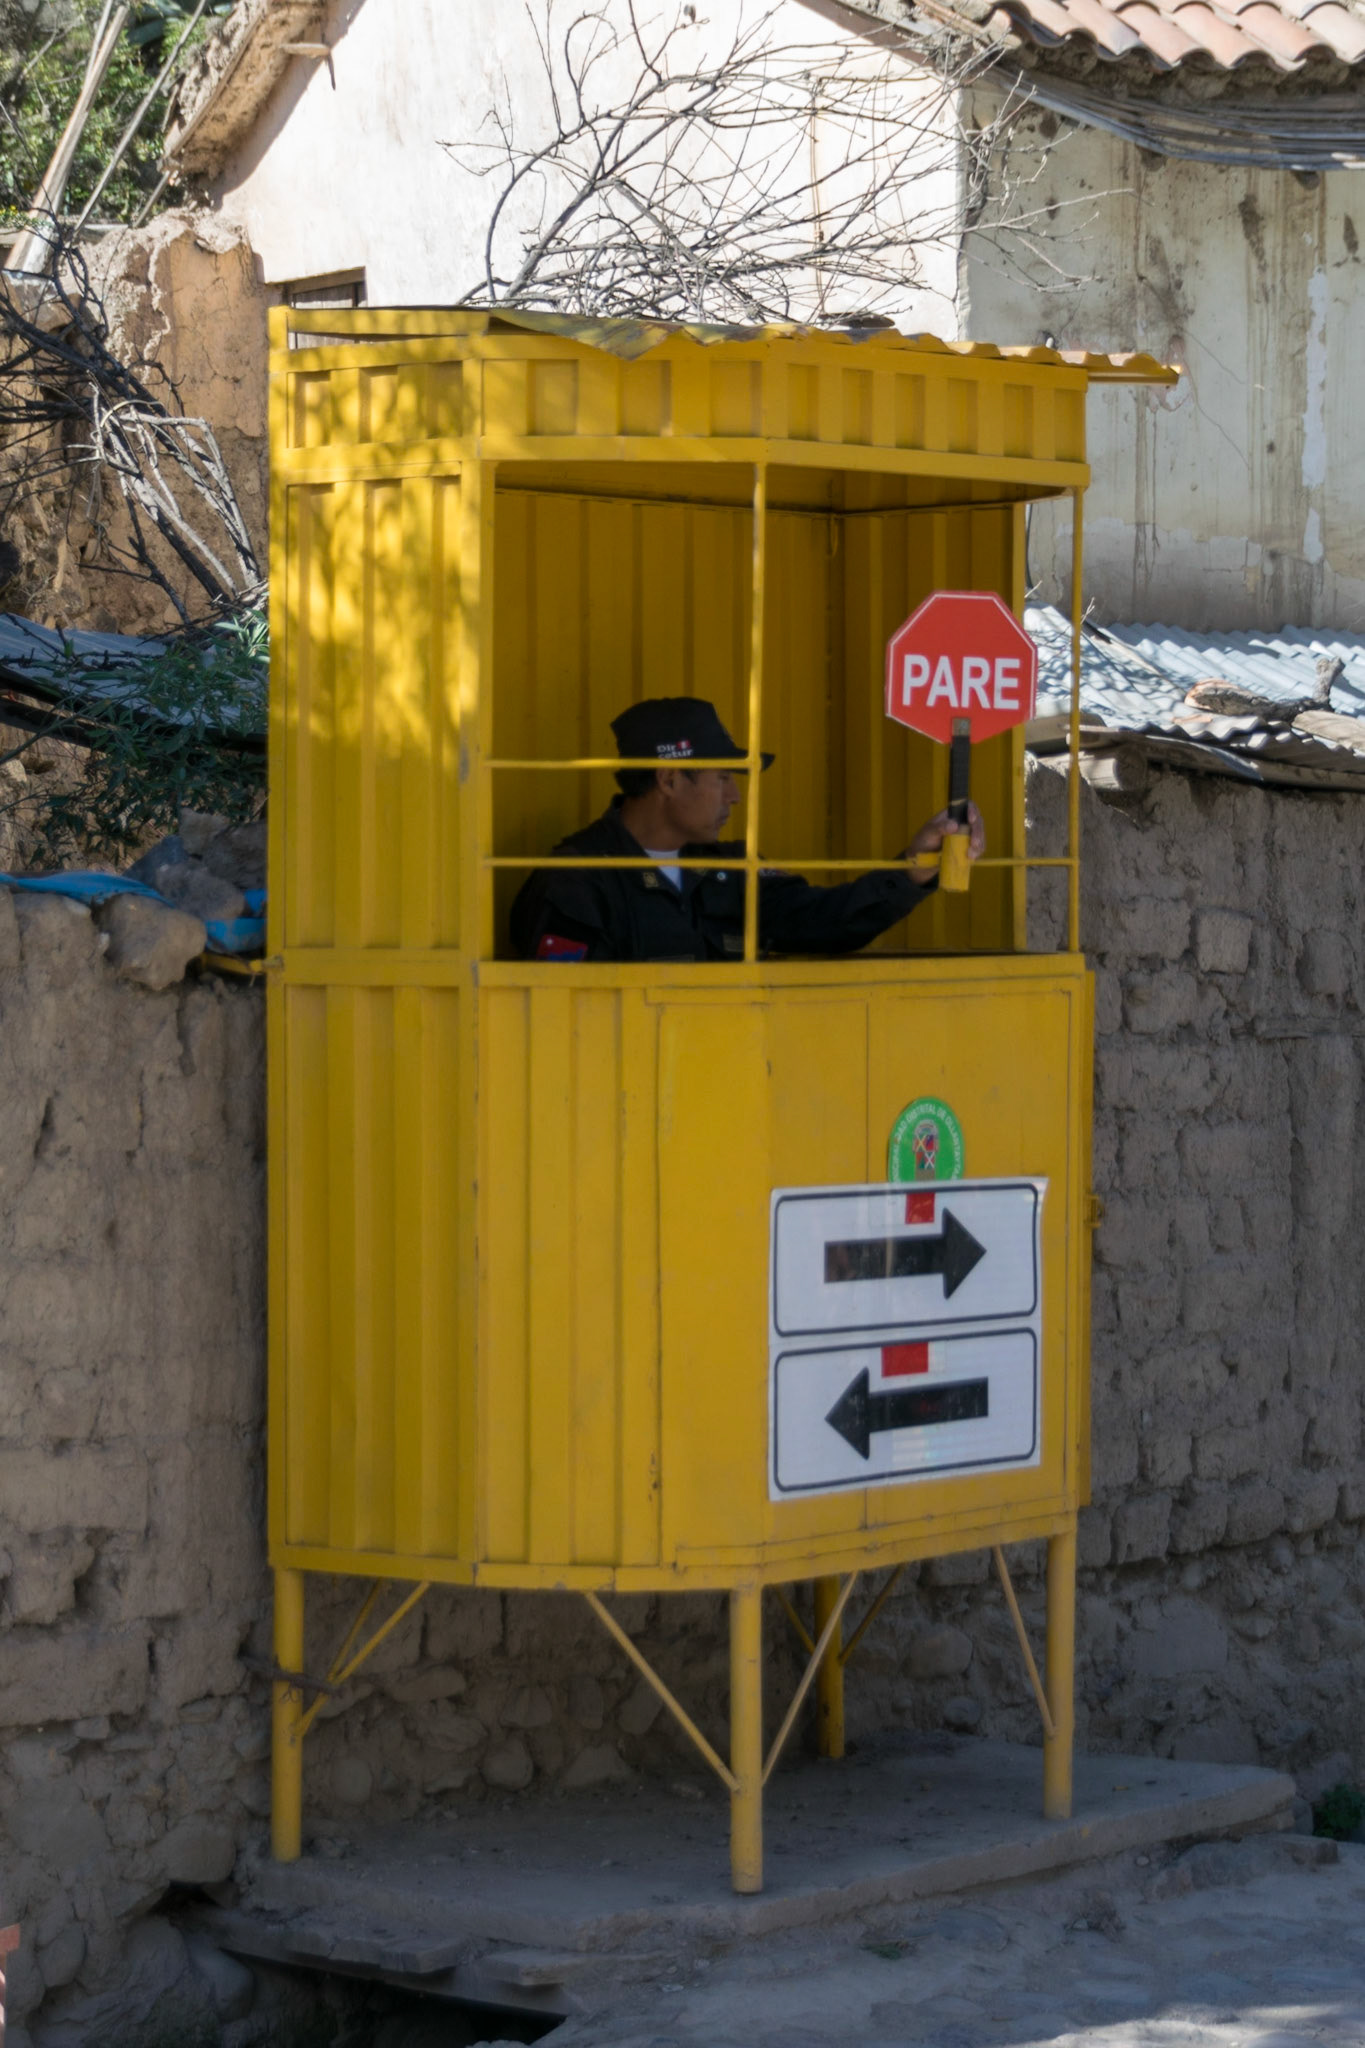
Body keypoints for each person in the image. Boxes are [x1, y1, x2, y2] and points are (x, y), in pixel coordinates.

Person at [509, 697, 985, 963]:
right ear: (669, 779)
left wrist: (915, 870)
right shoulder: (574, 885)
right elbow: (568, 1023)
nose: (735, 797)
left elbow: (827, 921)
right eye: (722, 780)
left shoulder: (730, 871)